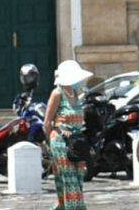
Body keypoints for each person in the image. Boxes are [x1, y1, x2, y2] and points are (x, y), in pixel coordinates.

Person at [45, 60, 94, 210]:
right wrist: (51, 143)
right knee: (70, 180)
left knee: (78, 178)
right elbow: (47, 122)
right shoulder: (57, 93)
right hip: (60, 142)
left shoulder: (75, 93)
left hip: (76, 142)